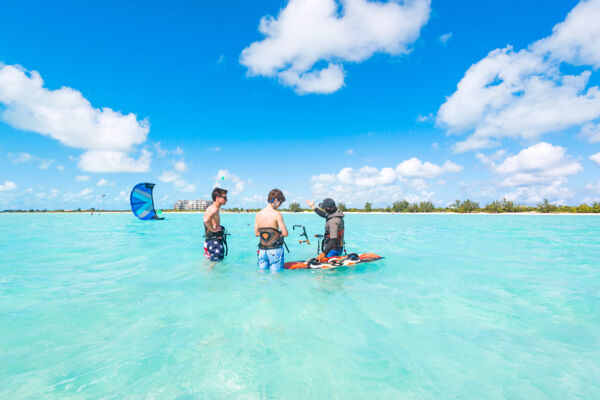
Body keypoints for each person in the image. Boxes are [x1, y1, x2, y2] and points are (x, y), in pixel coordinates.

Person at [255, 189, 288, 271]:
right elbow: (285, 233)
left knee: (262, 274)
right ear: (276, 200)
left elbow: (256, 233)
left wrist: (267, 234)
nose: (279, 205)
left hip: (262, 250)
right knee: (276, 277)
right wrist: (276, 234)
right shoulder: (277, 214)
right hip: (274, 250)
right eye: (280, 203)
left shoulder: (258, 214)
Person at [306, 198, 344, 263]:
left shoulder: (334, 221)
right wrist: (313, 207)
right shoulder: (335, 213)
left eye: (324, 208)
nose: (323, 209)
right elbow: (323, 214)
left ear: (328, 209)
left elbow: (333, 239)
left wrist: (323, 254)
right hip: (336, 248)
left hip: (332, 250)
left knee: (330, 272)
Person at [203, 187, 228, 267]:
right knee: (213, 266)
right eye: (225, 197)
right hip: (214, 243)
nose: (227, 200)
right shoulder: (214, 209)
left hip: (209, 242)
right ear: (217, 198)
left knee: (209, 264)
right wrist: (213, 230)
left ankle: (206, 277)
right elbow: (206, 220)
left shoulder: (211, 208)